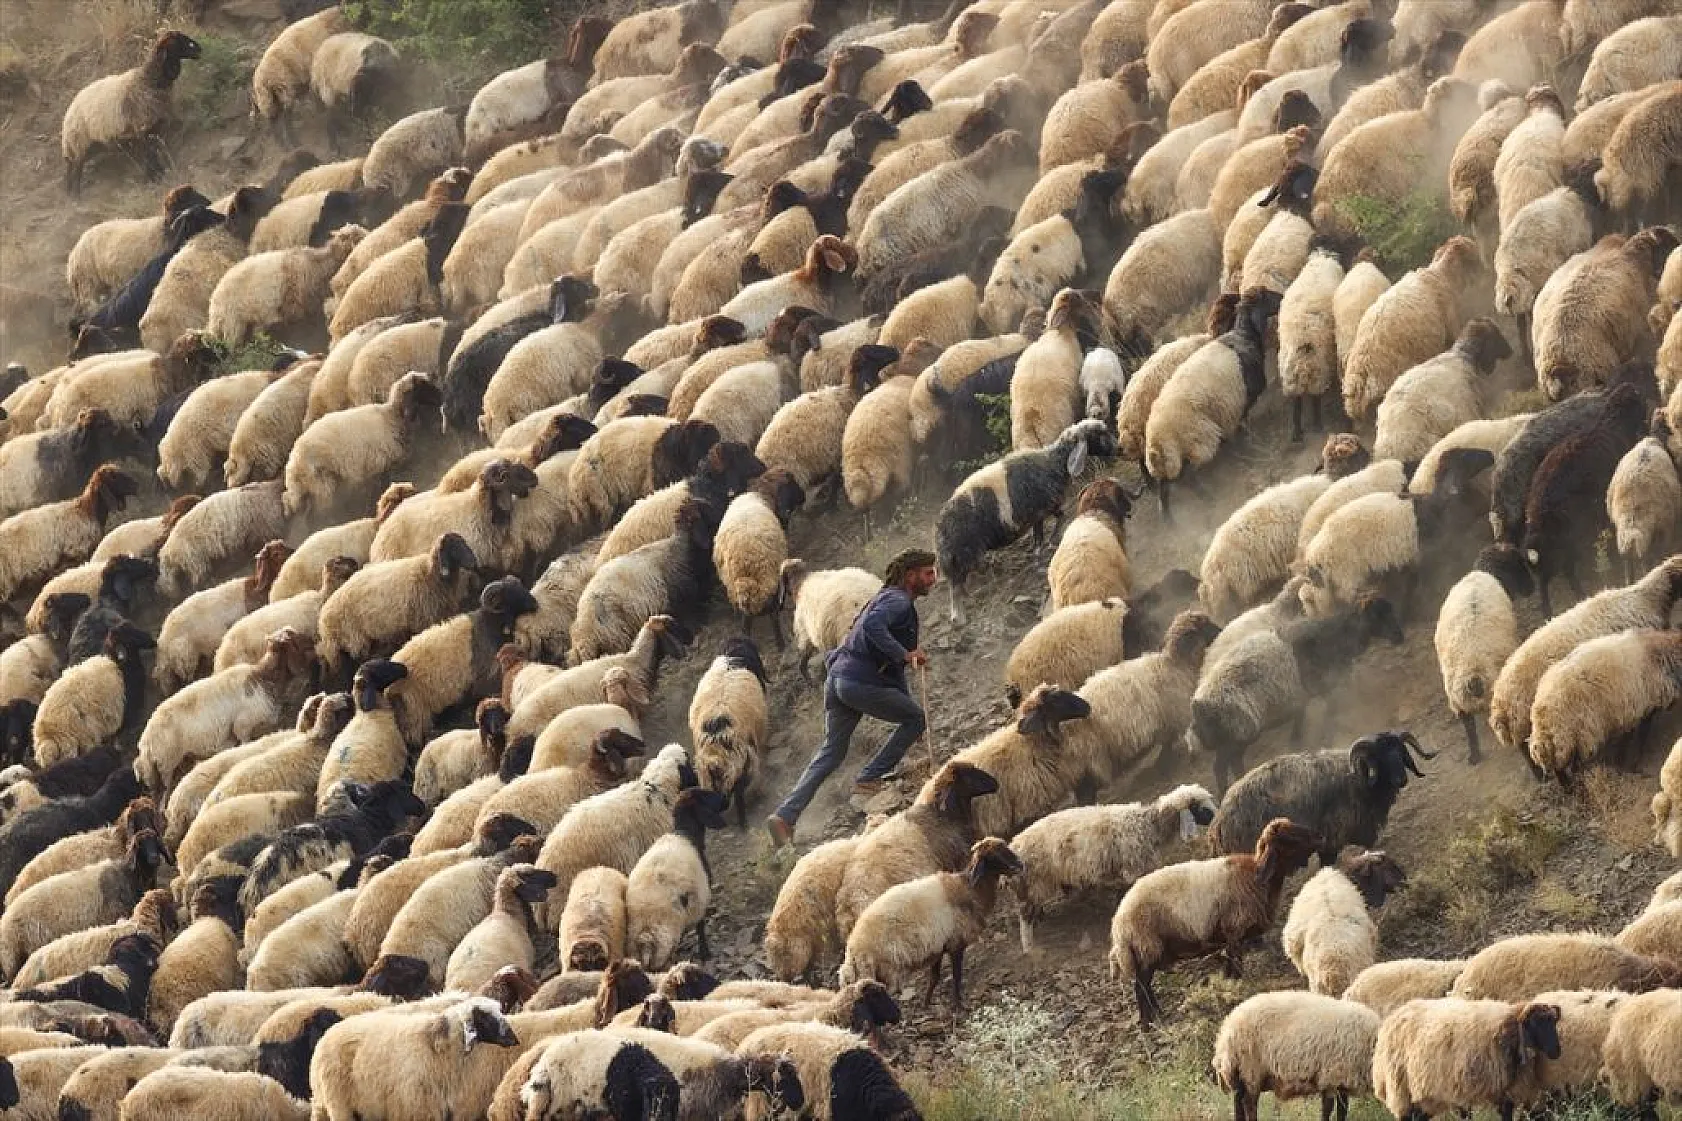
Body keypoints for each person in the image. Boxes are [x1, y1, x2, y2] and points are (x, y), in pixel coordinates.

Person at [766, 548, 937, 846]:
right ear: (910, 576)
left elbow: (892, 668)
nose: (933, 579)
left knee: (831, 751)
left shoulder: (884, 598)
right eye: (927, 573)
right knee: (916, 719)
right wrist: (906, 654)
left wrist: (905, 689)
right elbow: (873, 629)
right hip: (858, 682)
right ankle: (870, 776)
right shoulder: (898, 601)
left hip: (837, 680)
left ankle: (785, 816)